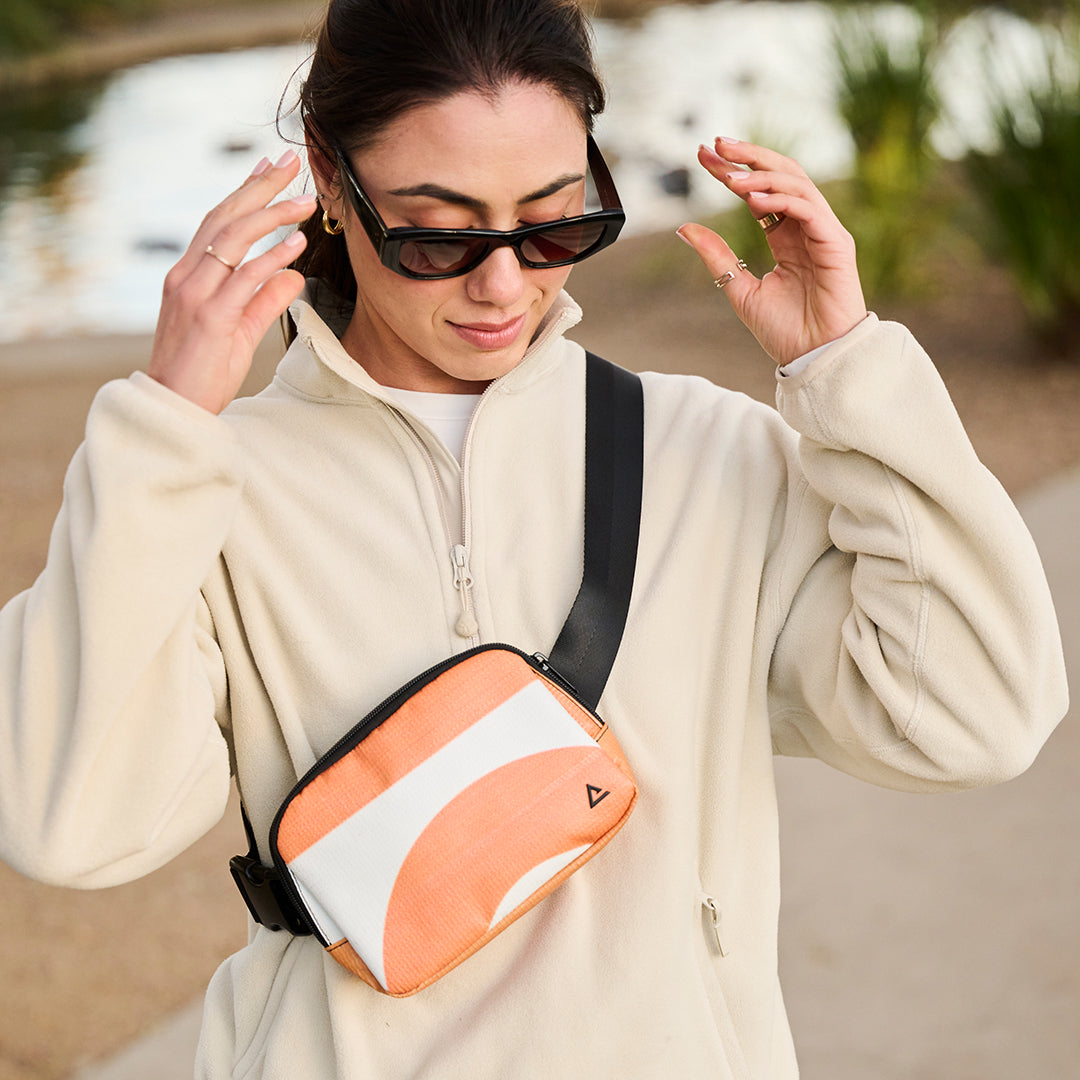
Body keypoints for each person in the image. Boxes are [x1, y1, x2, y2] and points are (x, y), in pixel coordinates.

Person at [0, 0, 1067, 1076]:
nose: (503, 284)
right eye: (438, 234)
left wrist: (848, 370)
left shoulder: (706, 452)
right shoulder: (204, 491)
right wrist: (161, 433)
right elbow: (69, 824)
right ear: (327, 174)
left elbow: (974, 716)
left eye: (555, 222)